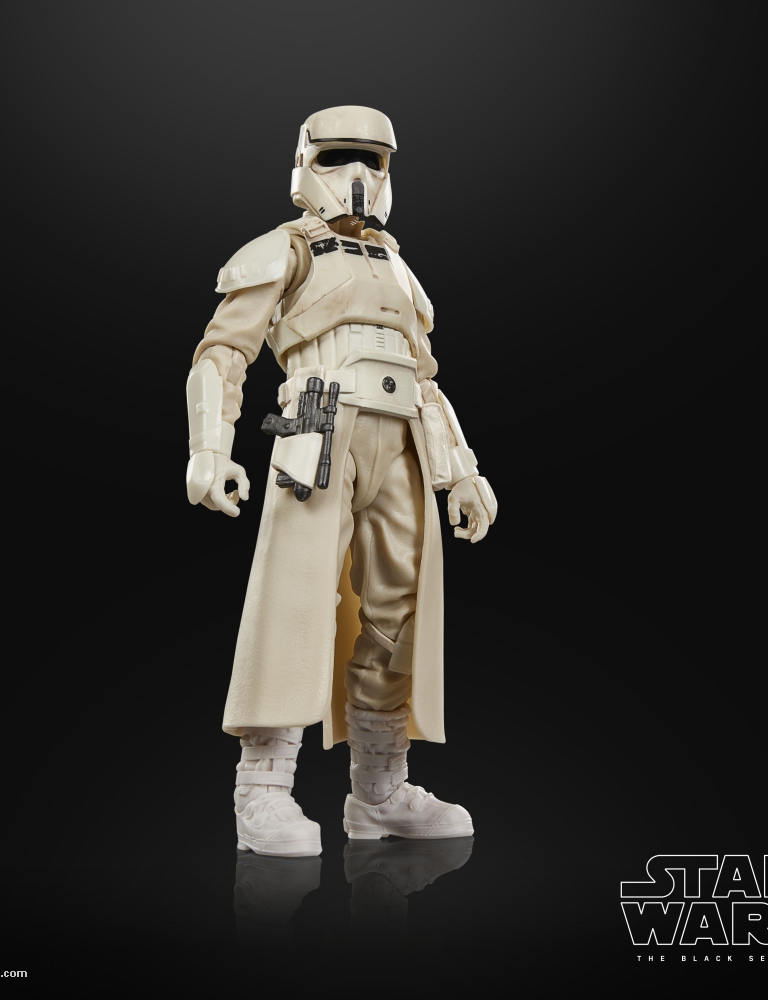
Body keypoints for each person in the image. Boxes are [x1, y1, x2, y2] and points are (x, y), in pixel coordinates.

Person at [187, 106, 497, 858]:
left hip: (403, 441)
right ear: (304, 164)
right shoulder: (288, 248)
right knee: (293, 603)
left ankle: (379, 792)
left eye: (373, 159)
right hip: (319, 431)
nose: (357, 175)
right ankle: (262, 791)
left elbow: (425, 379)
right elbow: (222, 354)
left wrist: (462, 470)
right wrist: (209, 448)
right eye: (337, 157)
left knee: (399, 613)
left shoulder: (396, 267)